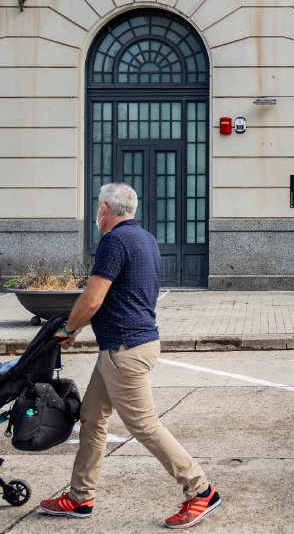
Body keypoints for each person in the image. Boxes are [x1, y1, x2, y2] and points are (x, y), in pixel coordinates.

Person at [41, 182, 220, 529]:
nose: (97, 213)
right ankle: (80, 498)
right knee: (92, 417)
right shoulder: (146, 239)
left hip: (124, 350)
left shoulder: (113, 241)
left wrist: (67, 329)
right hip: (126, 346)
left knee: (144, 425)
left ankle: (201, 490)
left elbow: (93, 298)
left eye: (98, 207)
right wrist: (80, 326)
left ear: (105, 209)